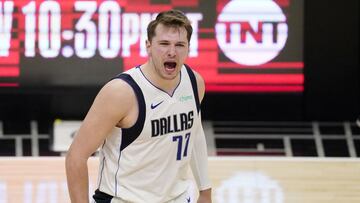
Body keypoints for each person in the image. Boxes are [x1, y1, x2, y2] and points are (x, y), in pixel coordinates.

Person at [65, 9, 212, 203]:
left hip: (177, 198)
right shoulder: (121, 92)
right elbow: (76, 157)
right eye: (164, 44)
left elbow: (195, 135)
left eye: (179, 45)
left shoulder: (195, 83)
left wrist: (205, 191)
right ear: (148, 46)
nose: (171, 52)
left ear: (188, 48)